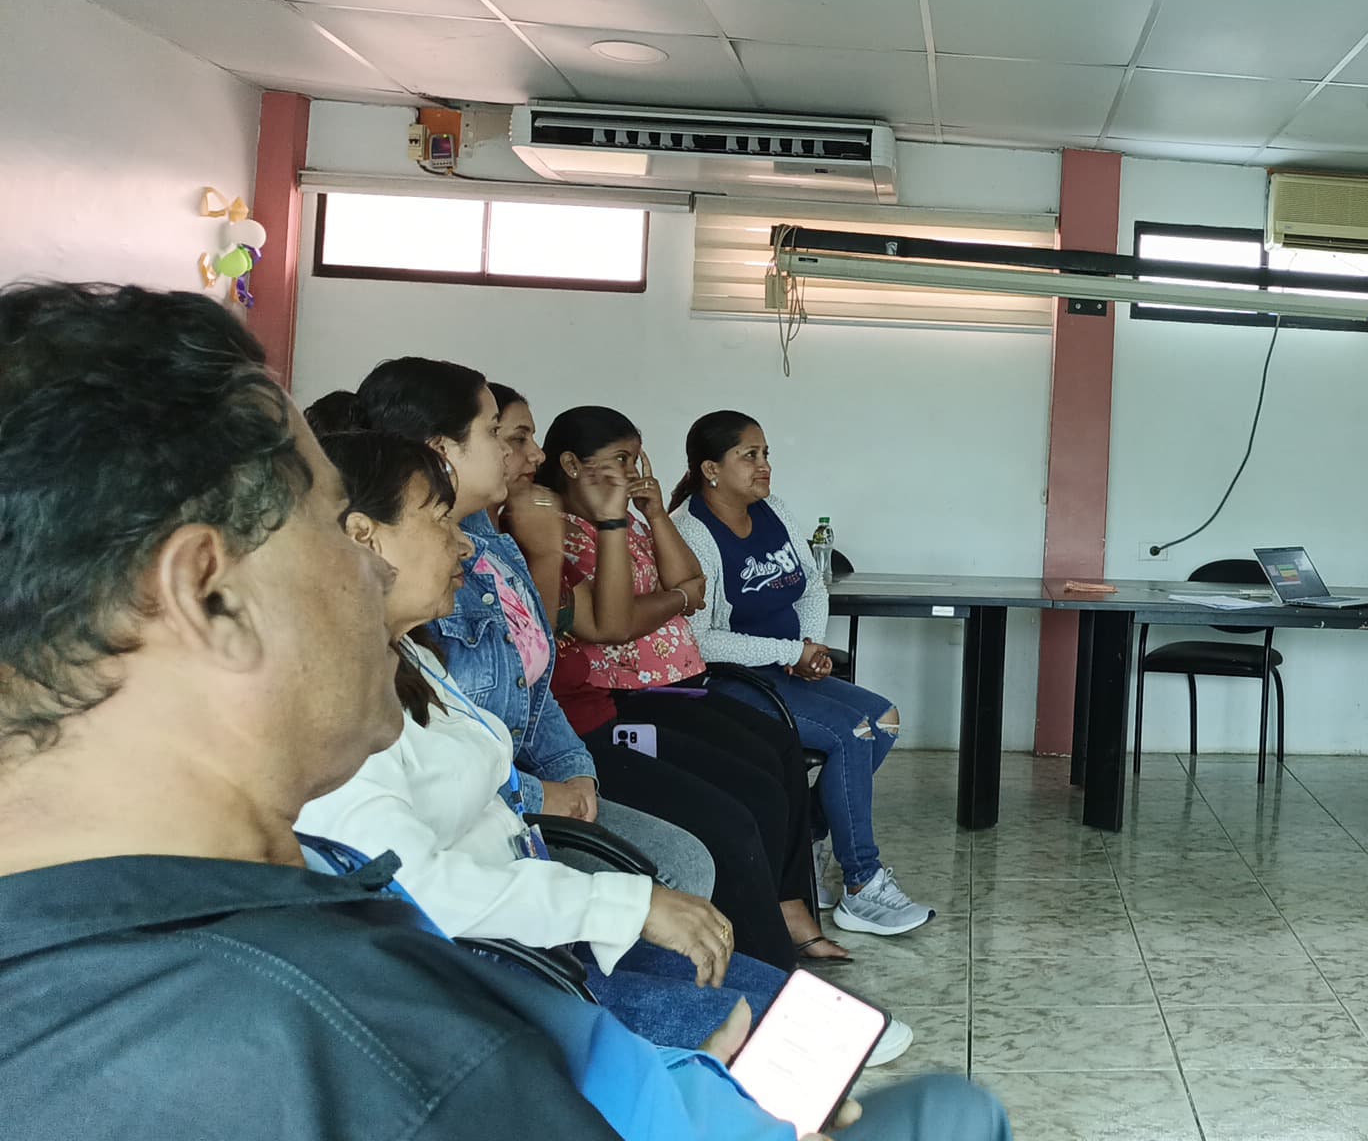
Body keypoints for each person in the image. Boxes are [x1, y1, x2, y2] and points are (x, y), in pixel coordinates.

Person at [0, 281, 1011, 1141]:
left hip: (566, 981)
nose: (373, 571)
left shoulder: (227, 925)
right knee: (945, 1113)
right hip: (565, 980)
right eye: (337, 531)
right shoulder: (367, 1043)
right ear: (206, 595)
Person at [295, 427, 790, 1051]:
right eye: (440, 521)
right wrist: (622, 905)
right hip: (482, 984)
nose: (464, 545)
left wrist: (571, 786)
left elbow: (525, 722)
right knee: (779, 1041)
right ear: (365, 536)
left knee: (792, 1008)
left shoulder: (408, 657)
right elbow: (412, 891)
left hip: (534, 933)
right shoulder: (328, 706)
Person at [318, 381, 721, 903]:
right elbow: (612, 624)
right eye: (504, 435)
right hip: (569, 747)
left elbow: (528, 686)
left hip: (541, 772)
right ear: (442, 451)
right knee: (695, 851)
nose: (534, 455)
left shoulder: (482, 556)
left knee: (728, 810)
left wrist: (573, 774)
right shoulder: (520, 544)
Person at [543, 405, 858, 961]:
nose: (634, 473)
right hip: (627, 697)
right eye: (621, 460)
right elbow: (617, 622)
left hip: (676, 680)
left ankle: (789, 904)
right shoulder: (560, 536)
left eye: (637, 460)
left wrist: (652, 513)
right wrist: (673, 597)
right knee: (747, 797)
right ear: (571, 465)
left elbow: (694, 582)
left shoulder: (634, 519)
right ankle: (767, 957)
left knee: (778, 745)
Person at [669, 411, 932, 938]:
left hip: (785, 667)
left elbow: (812, 585)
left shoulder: (775, 510)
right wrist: (791, 650)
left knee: (883, 720)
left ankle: (803, 847)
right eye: (749, 455)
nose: (764, 465)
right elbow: (699, 640)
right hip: (730, 680)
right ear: (711, 470)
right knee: (852, 733)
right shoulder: (691, 531)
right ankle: (862, 884)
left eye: (765, 453)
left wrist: (808, 646)